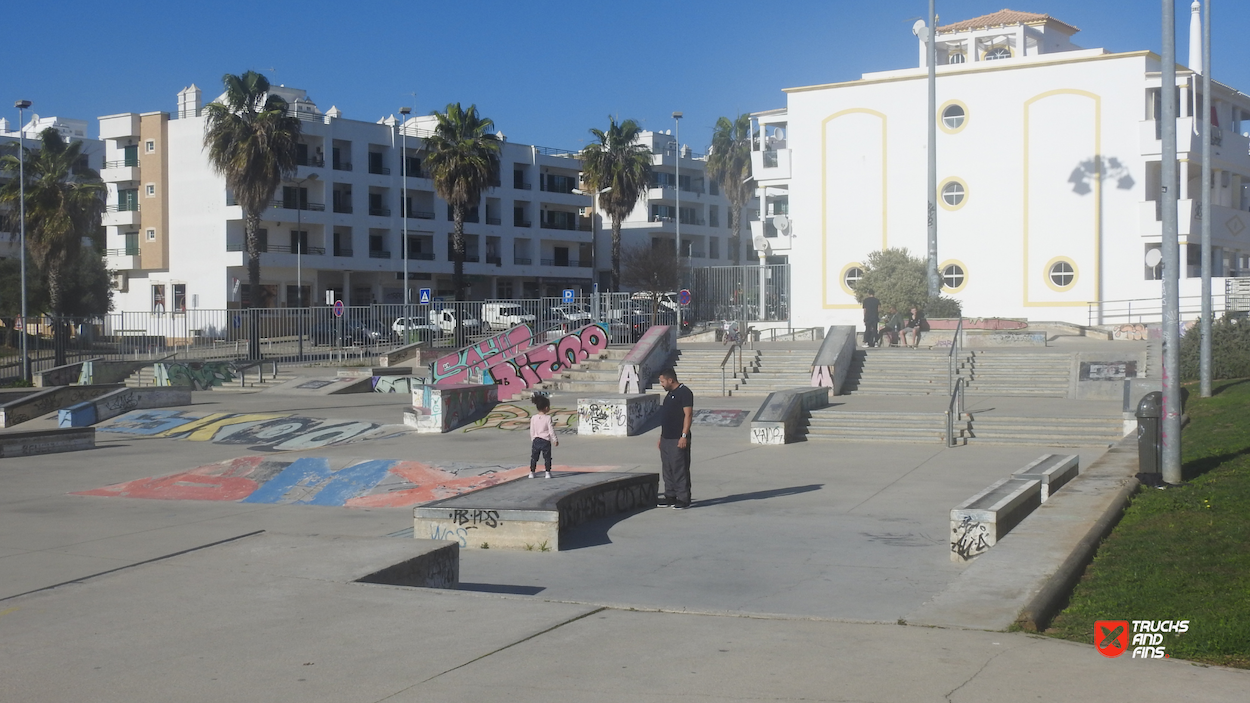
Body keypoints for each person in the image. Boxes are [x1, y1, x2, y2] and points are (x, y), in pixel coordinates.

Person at [656, 368, 694, 509]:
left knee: (679, 468)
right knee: (667, 468)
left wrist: (684, 435)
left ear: (670, 380)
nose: (661, 384)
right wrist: (661, 437)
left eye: (662, 381)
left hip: (678, 438)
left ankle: (683, 498)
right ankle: (670, 496)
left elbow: (688, 415)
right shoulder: (670, 394)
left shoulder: (684, 392)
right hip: (666, 438)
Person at [529, 393, 558, 478]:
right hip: (545, 441)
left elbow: (532, 430)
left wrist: (533, 438)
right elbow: (551, 430)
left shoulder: (533, 417)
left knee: (534, 457)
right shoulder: (548, 418)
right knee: (547, 458)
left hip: (536, 440)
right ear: (546, 408)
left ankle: (532, 472)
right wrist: (554, 439)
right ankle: (547, 472)